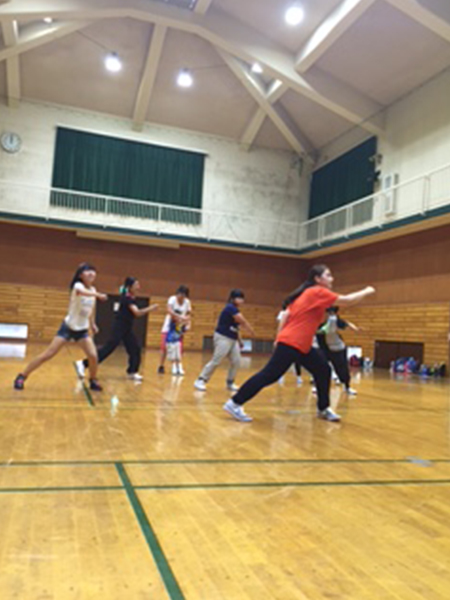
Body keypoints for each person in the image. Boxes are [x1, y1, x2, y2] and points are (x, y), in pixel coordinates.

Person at [223, 265, 375, 423]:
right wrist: (367, 290)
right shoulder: (317, 291)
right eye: (328, 275)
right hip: (292, 343)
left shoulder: (305, 294)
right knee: (269, 375)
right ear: (317, 279)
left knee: (323, 369)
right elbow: (348, 301)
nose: (332, 278)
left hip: (302, 345)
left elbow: (287, 314)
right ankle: (234, 403)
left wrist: (280, 336)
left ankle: (323, 408)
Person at [14, 263, 107, 392]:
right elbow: (82, 292)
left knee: (93, 356)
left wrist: (92, 323)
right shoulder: (78, 286)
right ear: (81, 275)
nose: (91, 273)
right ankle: (22, 376)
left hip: (82, 330)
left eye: (93, 271)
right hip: (68, 328)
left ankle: (93, 380)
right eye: (88, 271)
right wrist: (98, 295)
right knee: (48, 354)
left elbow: (91, 309)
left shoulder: (93, 290)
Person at [76, 277, 158, 381]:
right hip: (119, 327)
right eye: (136, 285)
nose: (138, 287)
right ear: (130, 287)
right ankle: (83, 363)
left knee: (135, 349)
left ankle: (132, 372)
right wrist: (151, 308)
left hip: (127, 328)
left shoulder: (131, 297)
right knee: (108, 349)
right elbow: (137, 313)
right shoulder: (127, 298)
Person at [194, 289, 255, 392]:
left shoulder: (235, 309)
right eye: (239, 298)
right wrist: (251, 330)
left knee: (236, 361)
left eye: (242, 298)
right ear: (232, 299)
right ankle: (201, 380)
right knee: (216, 360)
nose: (241, 300)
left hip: (233, 339)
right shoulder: (230, 308)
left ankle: (230, 382)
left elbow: (236, 328)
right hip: (223, 337)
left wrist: (240, 340)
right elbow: (242, 320)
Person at [318, 307, 360, 395]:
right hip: (325, 349)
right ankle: (318, 387)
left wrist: (354, 328)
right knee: (320, 369)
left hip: (338, 349)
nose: (329, 315)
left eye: (331, 313)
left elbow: (345, 323)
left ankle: (347, 387)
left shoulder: (334, 320)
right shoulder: (318, 323)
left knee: (342, 369)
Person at [158, 285, 191, 375]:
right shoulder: (172, 299)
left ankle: (177, 365)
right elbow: (169, 311)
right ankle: (161, 365)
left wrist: (188, 323)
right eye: (179, 294)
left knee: (178, 346)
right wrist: (180, 317)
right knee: (165, 346)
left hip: (179, 327)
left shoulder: (187, 302)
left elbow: (188, 314)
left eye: (183, 295)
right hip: (169, 326)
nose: (180, 297)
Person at [277, 301, 302, 386]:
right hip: (285, 338)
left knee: (297, 359)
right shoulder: (283, 313)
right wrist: (278, 337)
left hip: (295, 338)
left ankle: (298, 377)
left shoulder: (297, 312)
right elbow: (280, 325)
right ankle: (280, 376)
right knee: (282, 359)